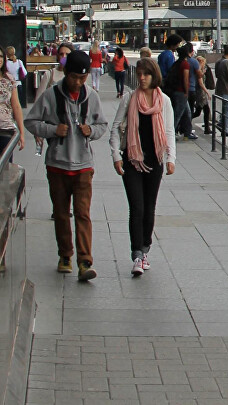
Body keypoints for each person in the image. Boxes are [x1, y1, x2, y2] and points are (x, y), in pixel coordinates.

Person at [25, 50, 107, 281]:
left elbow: (102, 124)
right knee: (61, 214)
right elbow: (31, 121)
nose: (78, 82)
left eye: (83, 78)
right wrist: (52, 130)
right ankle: (65, 256)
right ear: (65, 73)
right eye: (74, 77)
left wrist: (91, 131)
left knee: (83, 214)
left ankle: (85, 261)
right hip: (57, 165)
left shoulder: (91, 96)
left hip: (83, 166)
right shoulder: (51, 95)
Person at [108, 57, 175, 277]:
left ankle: (145, 247)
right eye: (140, 74)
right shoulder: (129, 99)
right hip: (132, 160)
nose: (142, 78)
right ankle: (137, 254)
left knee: (149, 208)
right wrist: (116, 156)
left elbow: (169, 131)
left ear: (154, 75)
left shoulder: (163, 101)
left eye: (146, 74)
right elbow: (116, 128)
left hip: (154, 160)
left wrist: (170, 158)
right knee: (136, 208)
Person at [163, 42, 197, 141]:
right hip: (181, 92)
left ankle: (187, 132)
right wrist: (186, 92)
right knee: (178, 114)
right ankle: (170, 134)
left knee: (187, 112)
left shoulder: (177, 63)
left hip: (175, 90)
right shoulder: (185, 64)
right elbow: (185, 79)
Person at [0, 59, 25, 152]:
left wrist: (21, 133)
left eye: (1, 56)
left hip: (6, 129)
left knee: (5, 165)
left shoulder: (9, 79)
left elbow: (16, 106)